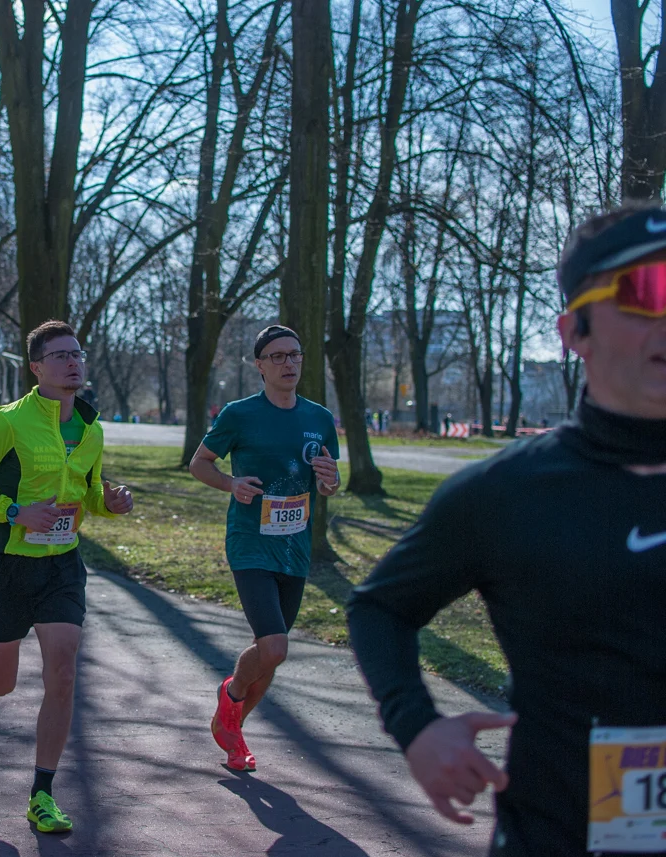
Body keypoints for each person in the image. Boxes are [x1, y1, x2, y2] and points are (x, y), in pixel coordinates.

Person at [347, 202, 666, 856]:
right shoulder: (504, 494)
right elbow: (380, 606)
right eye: (645, 290)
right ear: (574, 330)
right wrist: (418, 726)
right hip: (554, 836)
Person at [0, 320, 134, 834]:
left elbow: (89, 493)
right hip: (4, 564)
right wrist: (13, 513)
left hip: (61, 566)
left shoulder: (92, 428)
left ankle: (42, 793)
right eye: (60, 355)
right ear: (36, 367)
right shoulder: (7, 422)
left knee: (64, 671)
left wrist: (110, 502)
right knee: (1, 687)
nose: (74, 362)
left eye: (79, 353)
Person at [187, 324, 340, 772]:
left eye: (295, 355)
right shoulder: (240, 414)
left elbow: (329, 481)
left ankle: (232, 730)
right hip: (251, 543)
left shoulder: (319, 418)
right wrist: (231, 483)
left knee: (269, 654)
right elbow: (199, 463)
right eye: (277, 356)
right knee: (273, 648)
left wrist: (330, 481)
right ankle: (230, 696)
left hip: (294, 548)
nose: (288, 363)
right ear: (260, 365)